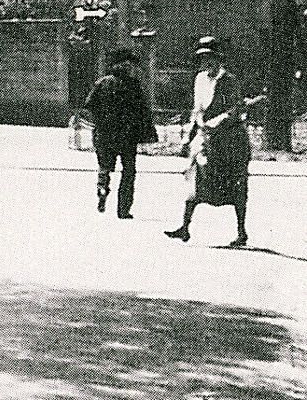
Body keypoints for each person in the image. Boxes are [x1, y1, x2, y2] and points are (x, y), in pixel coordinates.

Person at [166, 37, 252, 247]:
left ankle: (241, 231)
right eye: (203, 58)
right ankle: (185, 227)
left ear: (218, 59)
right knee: (197, 178)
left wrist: (216, 122)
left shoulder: (229, 80)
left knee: (236, 185)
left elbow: (234, 110)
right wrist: (189, 135)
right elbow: (198, 109)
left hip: (230, 140)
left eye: (210, 58)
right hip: (207, 139)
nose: (206, 62)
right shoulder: (200, 79)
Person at [83, 46, 159, 218]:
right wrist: (147, 133)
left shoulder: (102, 83)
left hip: (104, 134)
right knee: (129, 171)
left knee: (105, 167)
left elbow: (89, 105)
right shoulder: (133, 85)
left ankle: (102, 189)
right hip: (127, 136)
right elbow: (142, 111)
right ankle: (123, 210)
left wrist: (100, 121)